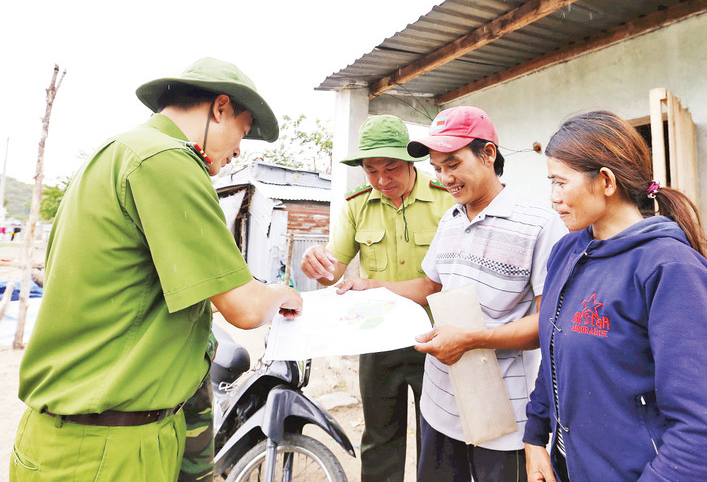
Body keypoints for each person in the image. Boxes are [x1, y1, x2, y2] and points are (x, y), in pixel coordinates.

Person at [11, 57, 302, 482]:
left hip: (72, 440)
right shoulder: (166, 161)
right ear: (219, 107)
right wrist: (283, 293)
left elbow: (137, 296)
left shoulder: (114, 154)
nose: (239, 148)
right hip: (108, 452)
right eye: (242, 130)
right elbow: (244, 308)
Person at [336, 106, 567, 482]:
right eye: (438, 167)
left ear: (488, 154)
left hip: (504, 417)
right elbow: (431, 286)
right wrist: (373, 285)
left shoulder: (540, 225)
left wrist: (472, 339)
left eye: (453, 164)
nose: (444, 178)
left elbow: (547, 324)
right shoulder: (452, 219)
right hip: (440, 405)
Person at [523, 110, 707, 482]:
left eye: (560, 182)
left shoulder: (670, 269)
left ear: (606, 181)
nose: (553, 198)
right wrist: (536, 435)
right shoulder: (567, 252)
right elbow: (556, 351)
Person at [300, 114, 453, 482]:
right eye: (371, 171)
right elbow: (333, 271)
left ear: (411, 161)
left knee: (439, 439)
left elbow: (453, 279)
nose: (382, 180)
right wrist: (316, 264)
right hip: (378, 342)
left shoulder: (445, 201)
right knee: (380, 437)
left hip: (435, 339)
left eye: (392, 168)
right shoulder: (356, 206)